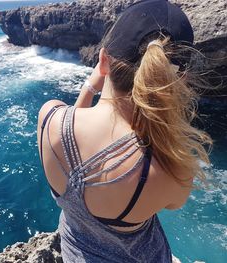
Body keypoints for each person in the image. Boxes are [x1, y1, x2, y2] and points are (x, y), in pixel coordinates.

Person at [37, 0, 212, 262]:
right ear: (179, 78)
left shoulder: (50, 117)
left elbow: (73, 127)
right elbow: (175, 203)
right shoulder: (169, 169)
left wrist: (89, 88)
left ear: (103, 60)